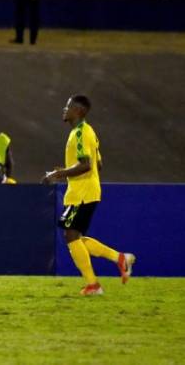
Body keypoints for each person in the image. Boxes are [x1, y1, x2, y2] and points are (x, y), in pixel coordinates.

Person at [42, 95, 136, 296]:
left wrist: (60, 174)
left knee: (70, 235)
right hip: (86, 190)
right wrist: (68, 170)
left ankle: (94, 284)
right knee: (75, 237)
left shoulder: (80, 133)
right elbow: (98, 164)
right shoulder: (89, 132)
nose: (64, 109)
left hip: (82, 193)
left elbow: (86, 164)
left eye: (68, 106)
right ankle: (119, 259)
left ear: (79, 111)